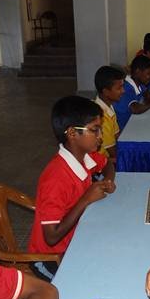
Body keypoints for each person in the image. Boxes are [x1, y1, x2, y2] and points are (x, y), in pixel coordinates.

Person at [29, 96, 116, 281]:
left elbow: (107, 163)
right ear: (72, 133)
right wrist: (86, 199)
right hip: (49, 258)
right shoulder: (55, 179)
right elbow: (51, 237)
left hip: (77, 239)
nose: (100, 136)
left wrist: (108, 180)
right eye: (94, 130)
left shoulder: (85, 156)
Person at [113, 55, 150, 130]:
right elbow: (135, 109)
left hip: (133, 122)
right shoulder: (126, 87)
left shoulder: (138, 82)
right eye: (148, 74)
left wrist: (149, 97)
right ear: (138, 71)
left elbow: (146, 90)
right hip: (124, 129)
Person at [94, 65, 126, 162]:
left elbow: (117, 135)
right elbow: (113, 151)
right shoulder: (101, 117)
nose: (123, 91)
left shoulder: (109, 107)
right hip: (103, 162)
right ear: (106, 92)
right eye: (119, 88)